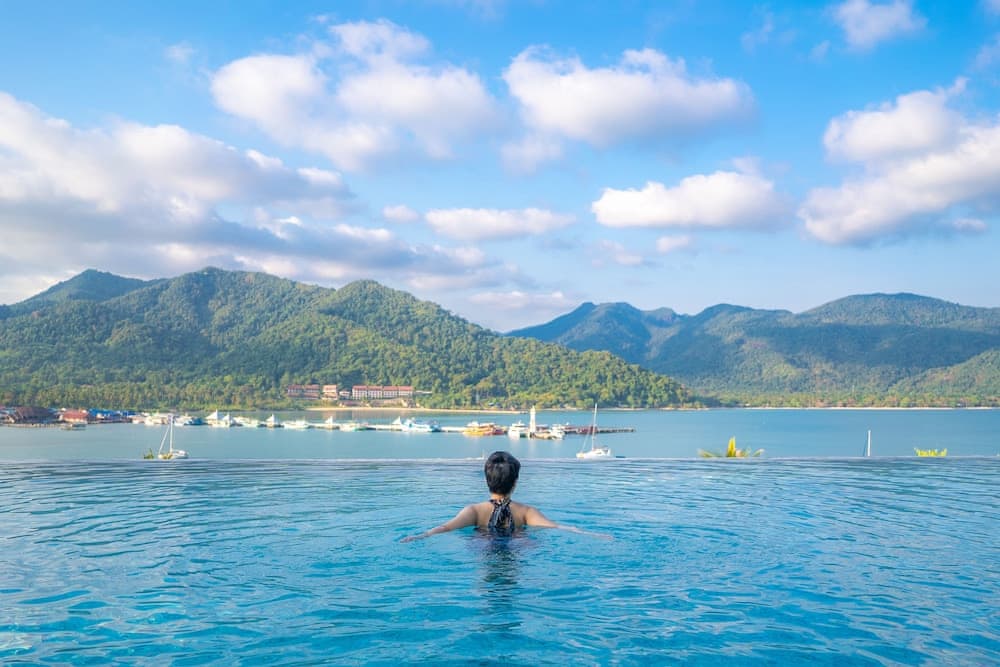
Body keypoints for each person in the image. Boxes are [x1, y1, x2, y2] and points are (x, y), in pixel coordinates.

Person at [401, 451, 609, 542]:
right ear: (515, 482)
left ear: (486, 480)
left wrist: (420, 536)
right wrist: (592, 534)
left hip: (483, 544)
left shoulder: (474, 511)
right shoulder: (526, 512)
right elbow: (557, 527)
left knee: (479, 543)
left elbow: (444, 528)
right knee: (521, 542)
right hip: (517, 544)